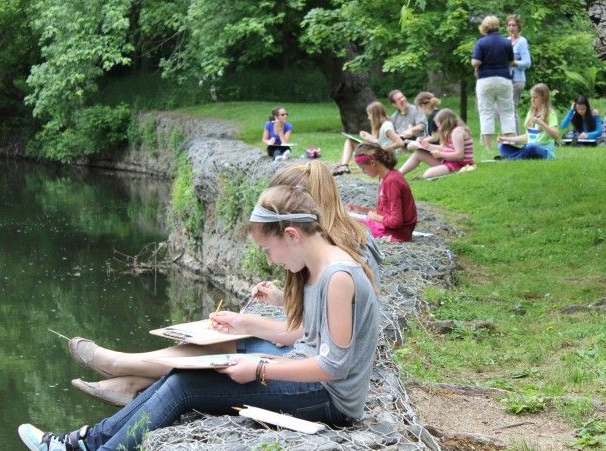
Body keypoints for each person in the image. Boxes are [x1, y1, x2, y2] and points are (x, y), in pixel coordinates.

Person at [7, 185, 380, 451]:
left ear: (292, 235)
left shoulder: (336, 276)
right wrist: (253, 340)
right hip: (312, 383)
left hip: (330, 400)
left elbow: (335, 366)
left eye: (269, 250)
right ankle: (86, 445)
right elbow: (313, 335)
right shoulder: (320, 268)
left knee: (186, 386)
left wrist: (259, 367)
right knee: (183, 371)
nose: (270, 260)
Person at [66, 161, 385, 406]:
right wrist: (276, 301)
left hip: (314, 374)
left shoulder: (340, 258)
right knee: (215, 343)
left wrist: (249, 325)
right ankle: (131, 381)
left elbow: (308, 337)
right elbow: (316, 319)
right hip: (309, 357)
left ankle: (121, 369)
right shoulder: (322, 243)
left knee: (224, 351)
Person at [347, 143, 417, 242]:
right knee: (348, 219)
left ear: (372, 163)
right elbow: (386, 211)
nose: (363, 172)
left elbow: (396, 221)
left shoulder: (391, 181)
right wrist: (362, 210)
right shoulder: (386, 177)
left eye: (363, 168)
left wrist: (375, 218)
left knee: (347, 224)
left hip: (397, 234)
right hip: (391, 229)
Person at [471, 15, 517, 152]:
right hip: (504, 79)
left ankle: (488, 148)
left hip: (485, 80)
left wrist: (477, 66)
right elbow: (511, 62)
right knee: (507, 112)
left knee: (486, 113)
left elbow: (475, 62)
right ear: (498, 26)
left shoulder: (481, 42)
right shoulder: (506, 42)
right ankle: (510, 144)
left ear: (484, 27)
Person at [332, 101, 404, 176]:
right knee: (350, 141)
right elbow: (381, 141)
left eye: (369, 114)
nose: (369, 117)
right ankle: (342, 165)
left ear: (374, 114)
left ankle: (343, 166)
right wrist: (369, 138)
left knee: (350, 142)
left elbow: (399, 143)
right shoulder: (382, 125)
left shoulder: (386, 126)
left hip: (383, 154)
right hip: (380, 151)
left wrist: (383, 148)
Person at [399, 109, 474, 179]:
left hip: (460, 164)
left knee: (428, 174)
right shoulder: (451, 131)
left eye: (439, 124)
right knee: (419, 153)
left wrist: (441, 155)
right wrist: (427, 145)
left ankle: (428, 174)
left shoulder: (457, 132)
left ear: (445, 122)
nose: (438, 128)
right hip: (450, 161)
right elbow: (443, 147)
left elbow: (459, 155)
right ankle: (398, 174)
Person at [497, 83, 563, 160]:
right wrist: (508, 140)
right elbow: (527, 137)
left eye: (535, 98)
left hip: (543, 151)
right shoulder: (530, 113)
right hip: (528, 148)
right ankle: (517, 157)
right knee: (502, 146)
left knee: (531, 147)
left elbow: (555, 135)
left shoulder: (550, 113)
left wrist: (541, 123)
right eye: (531, 97)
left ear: (543, 98)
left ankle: (511, 157)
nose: (532, 100)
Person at [506, 15, 531, 133]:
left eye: (514, 25)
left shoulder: (522, 41)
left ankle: (515, 137)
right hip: (505, 79)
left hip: (517, 80)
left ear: (518, 27)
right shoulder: (505, 41)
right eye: (509, 25)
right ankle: (509, 134)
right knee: (504, 108)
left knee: (511, 109)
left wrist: (513, 63)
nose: (511, 28)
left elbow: (527, 63)